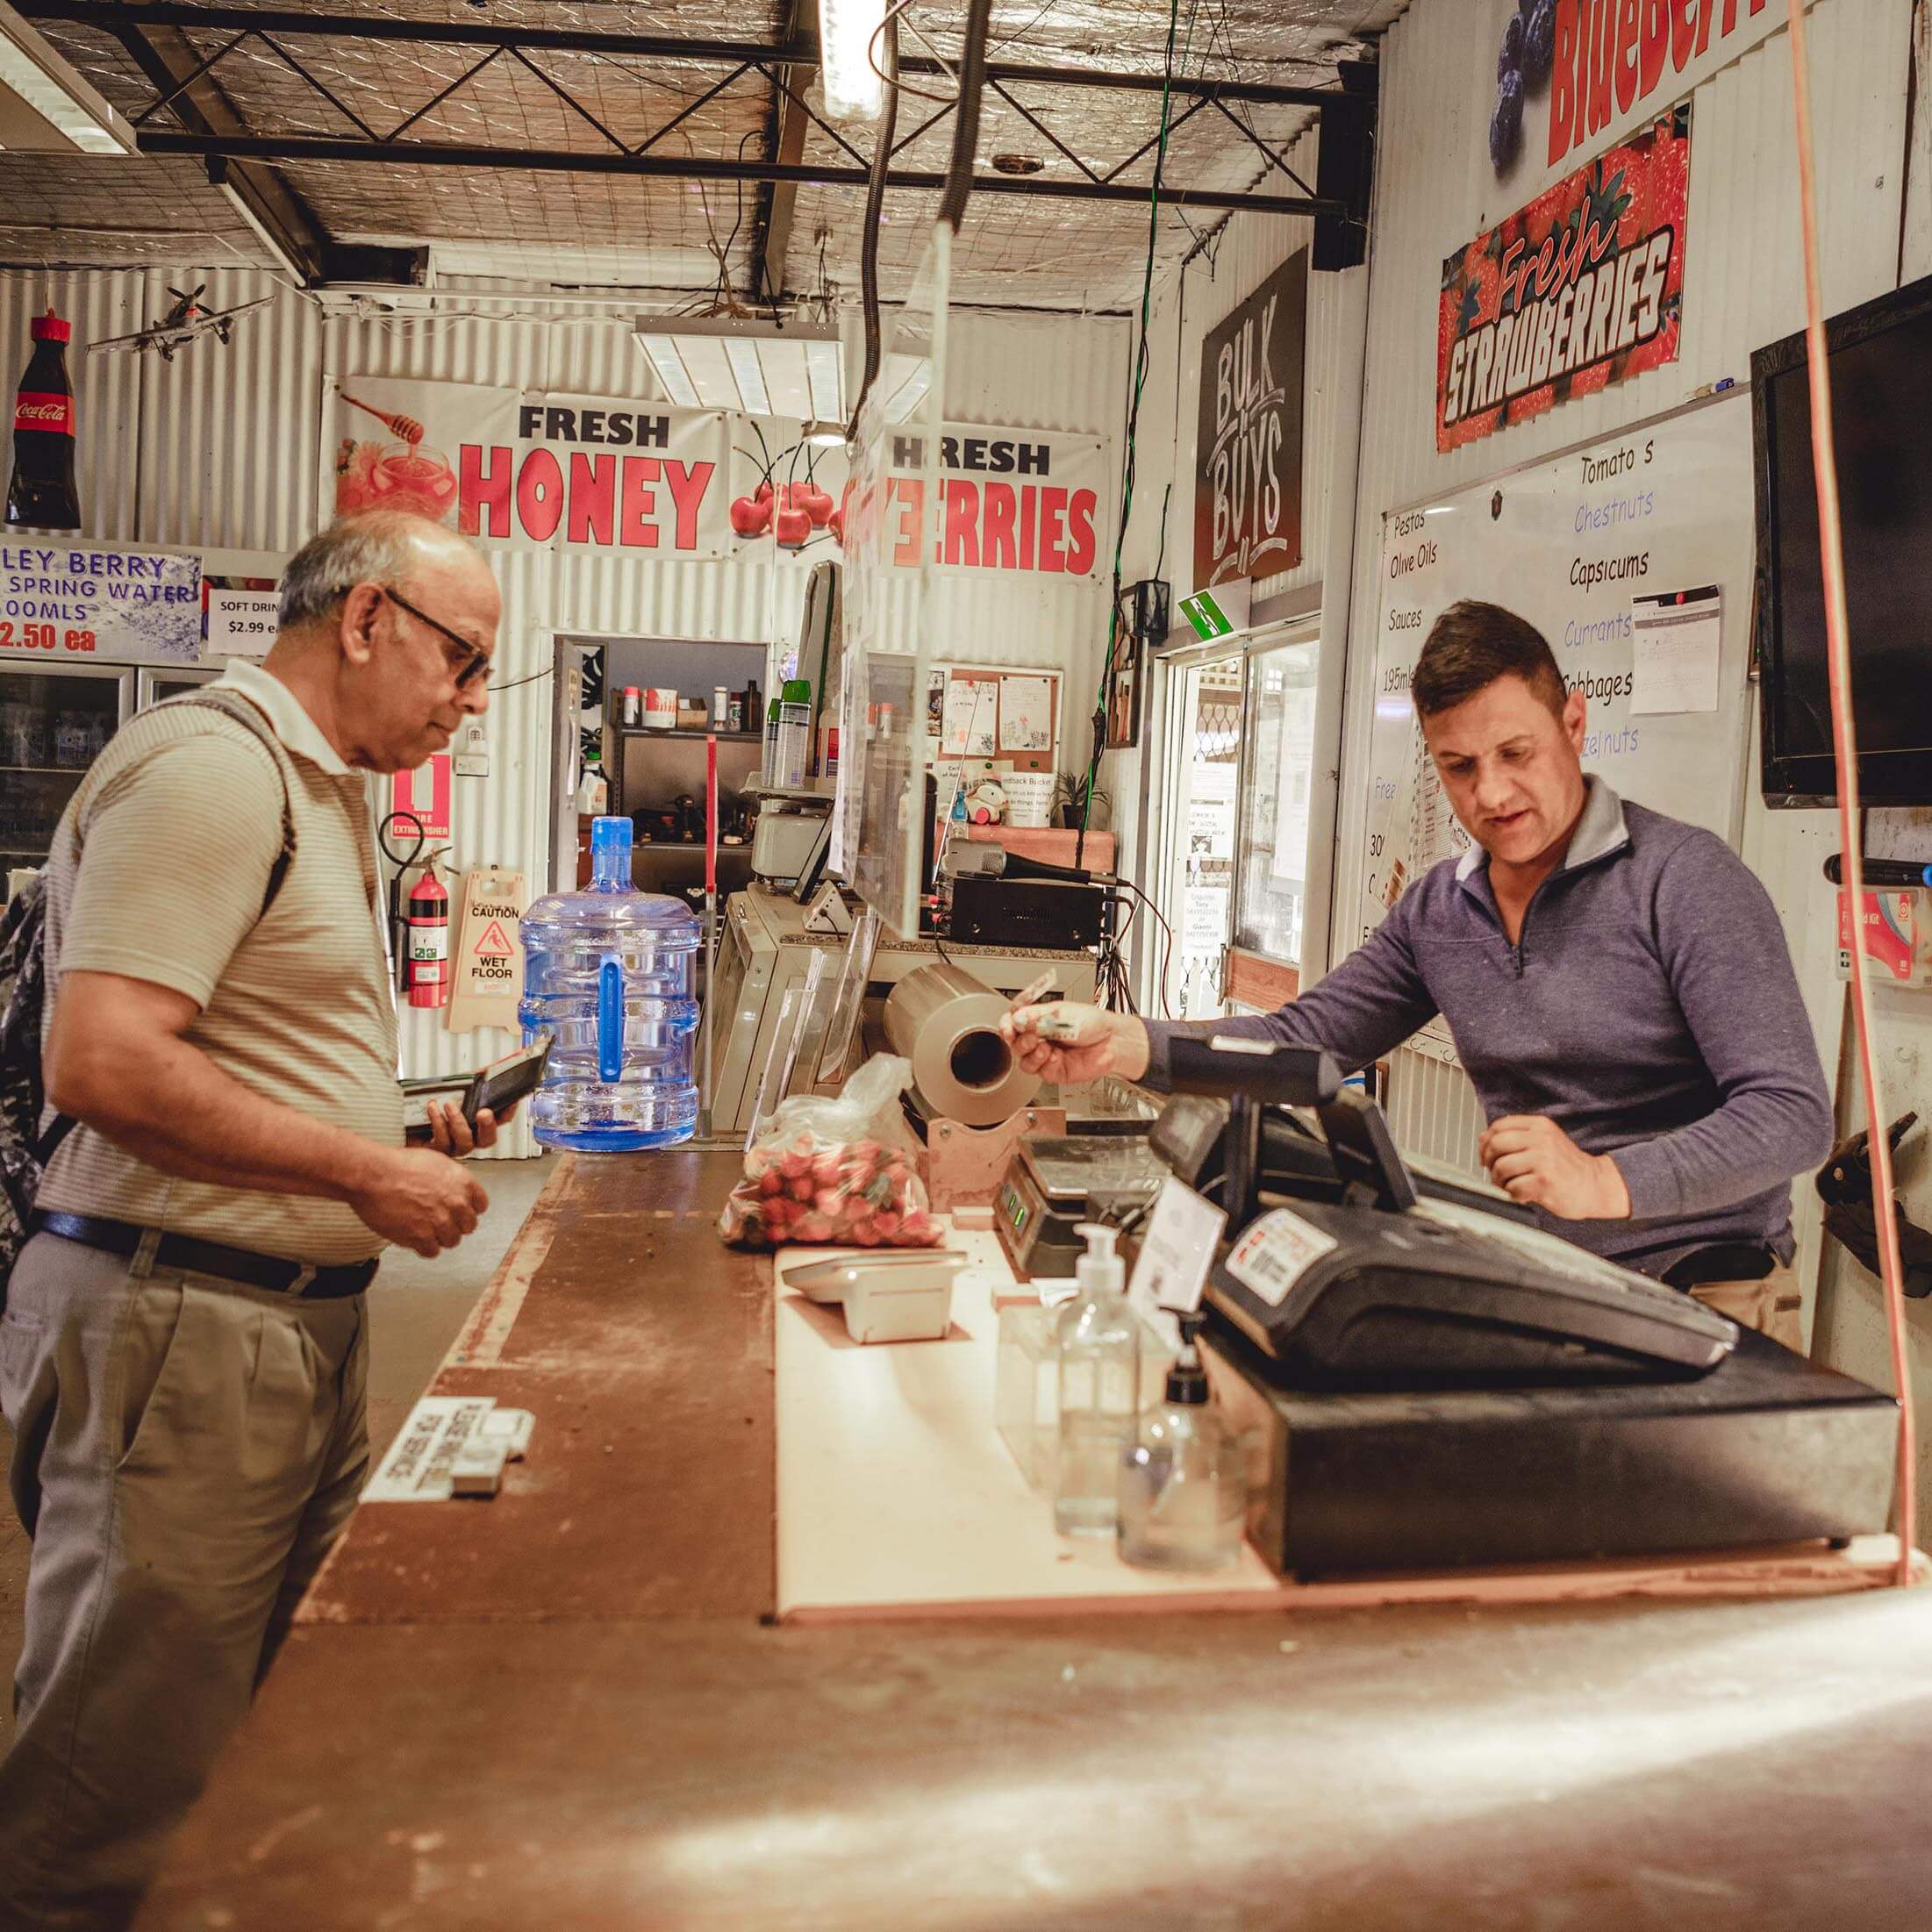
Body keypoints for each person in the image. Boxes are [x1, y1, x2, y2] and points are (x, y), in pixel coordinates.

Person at [0, 511, 508, 1929]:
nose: (469, 704)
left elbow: (233, 1055)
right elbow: (103, 1063)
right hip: (181, 1325)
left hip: (279, 1322)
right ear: (366, 620)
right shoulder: (214, 772)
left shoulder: (318, 785)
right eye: (462, 664)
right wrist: (357, 1174)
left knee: (274, 1741)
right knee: (115, 1784)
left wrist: (384, 1137)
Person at [1005, 600, 1833, 1346]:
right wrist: (1127, 1043)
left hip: (1712, 1296)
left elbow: (1792, 1115)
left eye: (1517, 752)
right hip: (1553, 1283)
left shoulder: (1685, 881)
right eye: (1459, 766)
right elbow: (1304, 1044)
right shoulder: (1442, 909)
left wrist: (1605, 1179)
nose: (1493, 793)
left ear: (1574, 722)